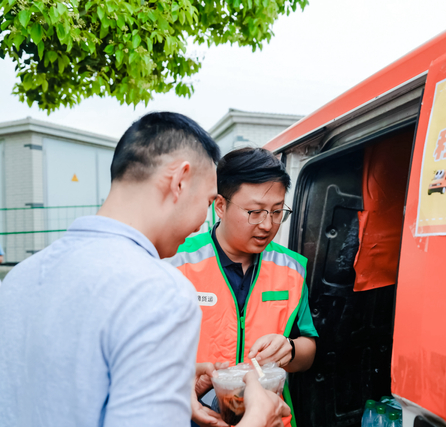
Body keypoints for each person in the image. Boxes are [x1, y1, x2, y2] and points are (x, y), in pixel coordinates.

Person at [0, 113, 289, 427]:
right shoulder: (160, 291)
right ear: (179, 181)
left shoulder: (19, 279)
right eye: (207, 202)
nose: (200, 224)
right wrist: (259, 417)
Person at [168, 147, 318, 427]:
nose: (267, 225)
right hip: (192, 416)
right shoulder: (176, 263)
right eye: (255, 212)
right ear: (220, 206)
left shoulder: (292, 269)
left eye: (277, 211)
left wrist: (289, 349)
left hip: (270, 418)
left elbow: (308, 349)